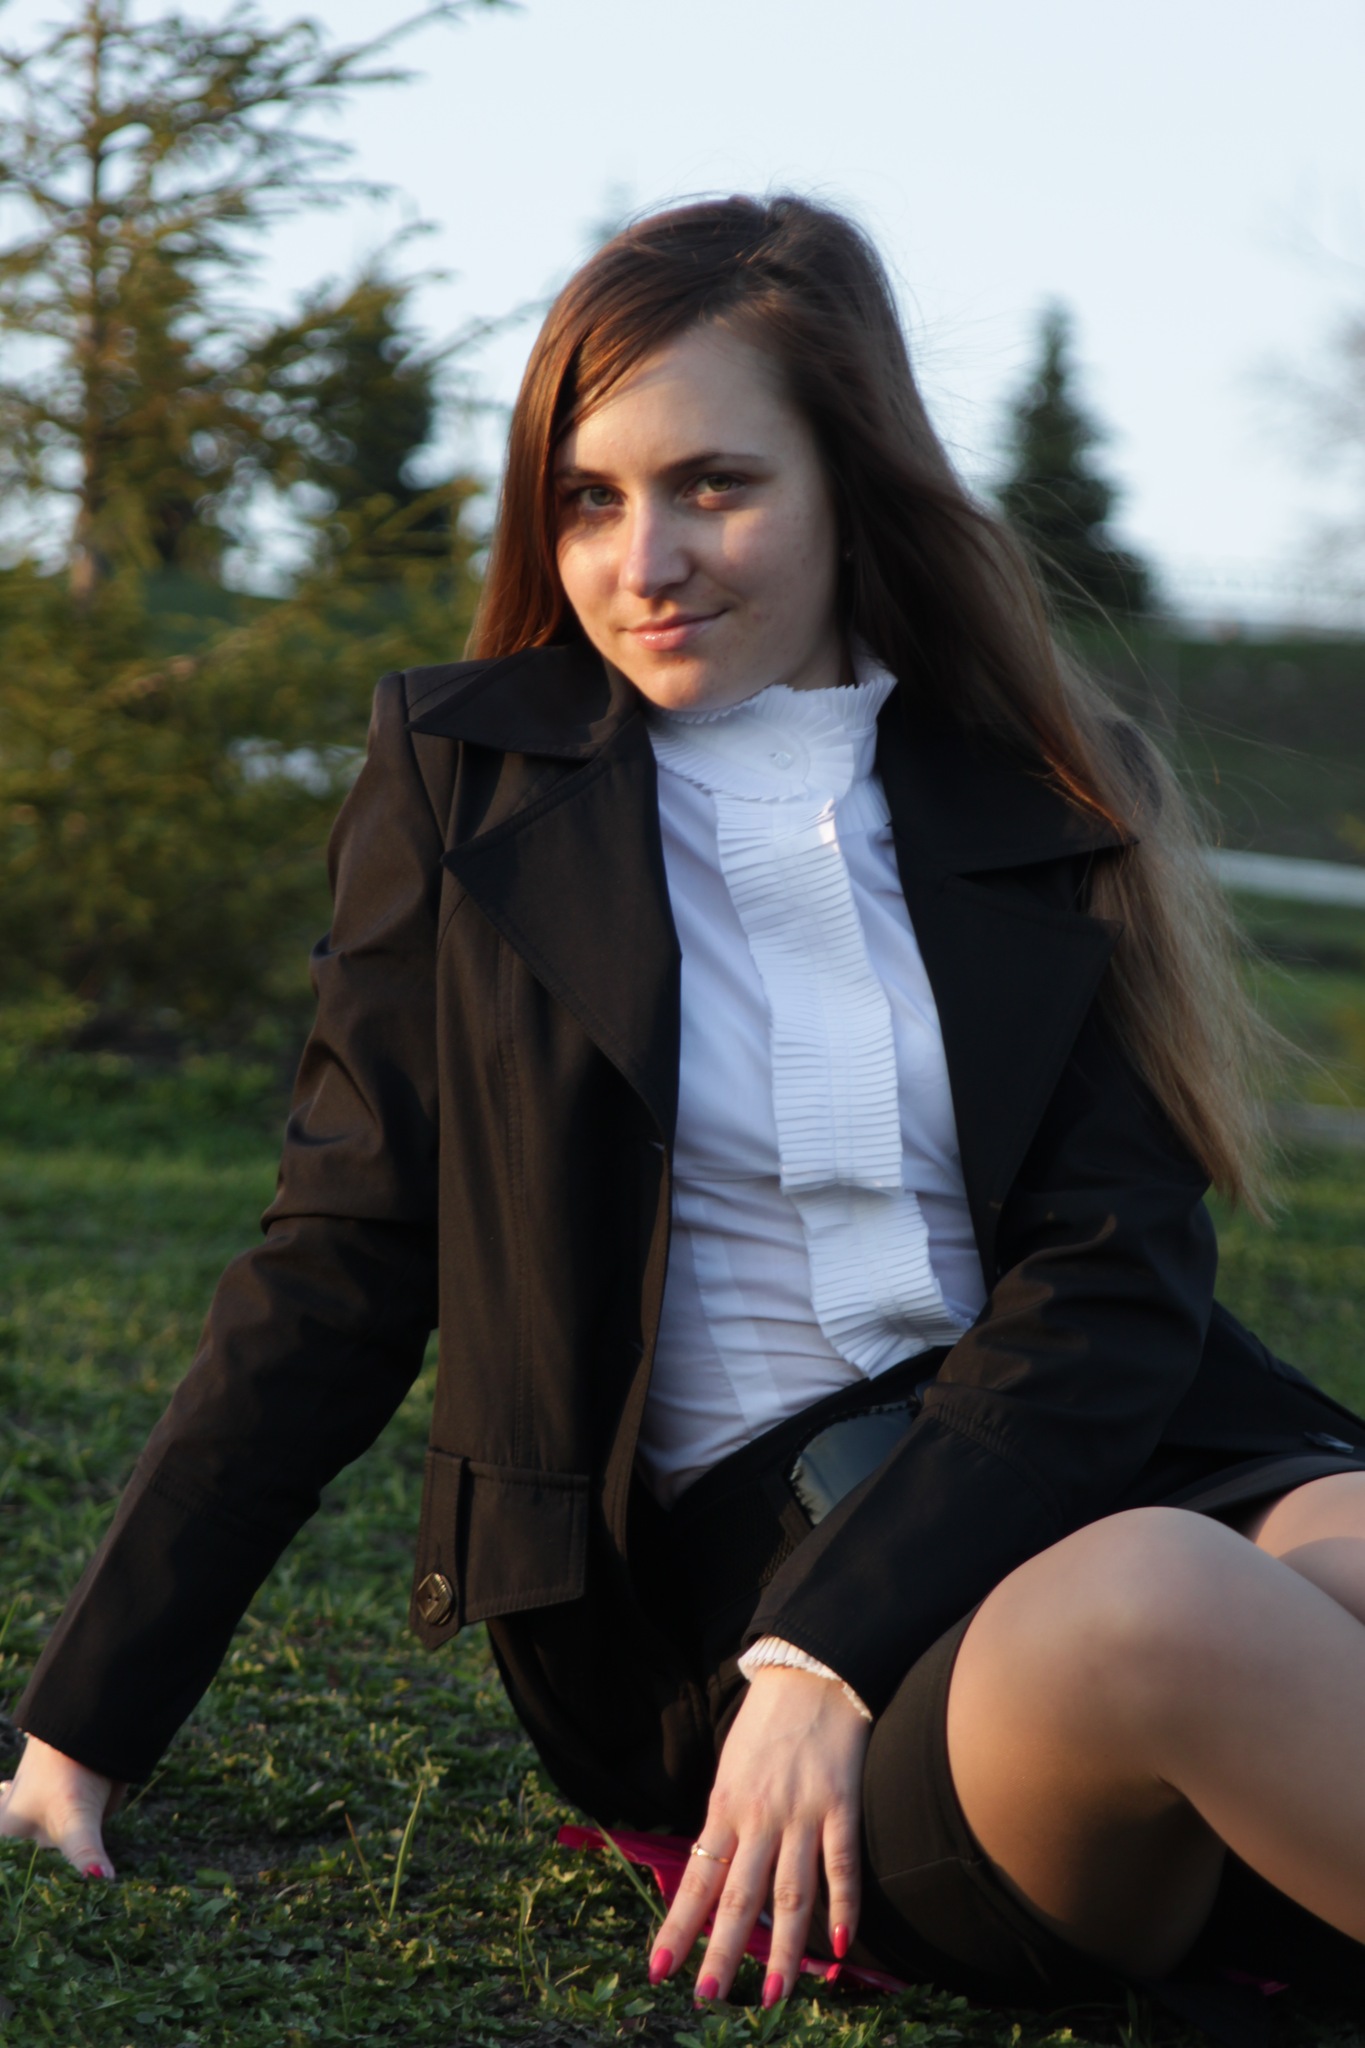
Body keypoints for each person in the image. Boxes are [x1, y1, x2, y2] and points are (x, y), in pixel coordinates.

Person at [7, 193, 1365, 2030]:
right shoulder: (470, 787)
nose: (641, 560)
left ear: (851, 485)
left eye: (713, 485)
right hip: (758, 1589)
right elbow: (339, 1265)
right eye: (586, 497)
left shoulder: (1043, 784)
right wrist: (81, 1725)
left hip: (1114, 1449)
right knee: (1163, 1606)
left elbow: (1115, 1277)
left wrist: (832, 1655)